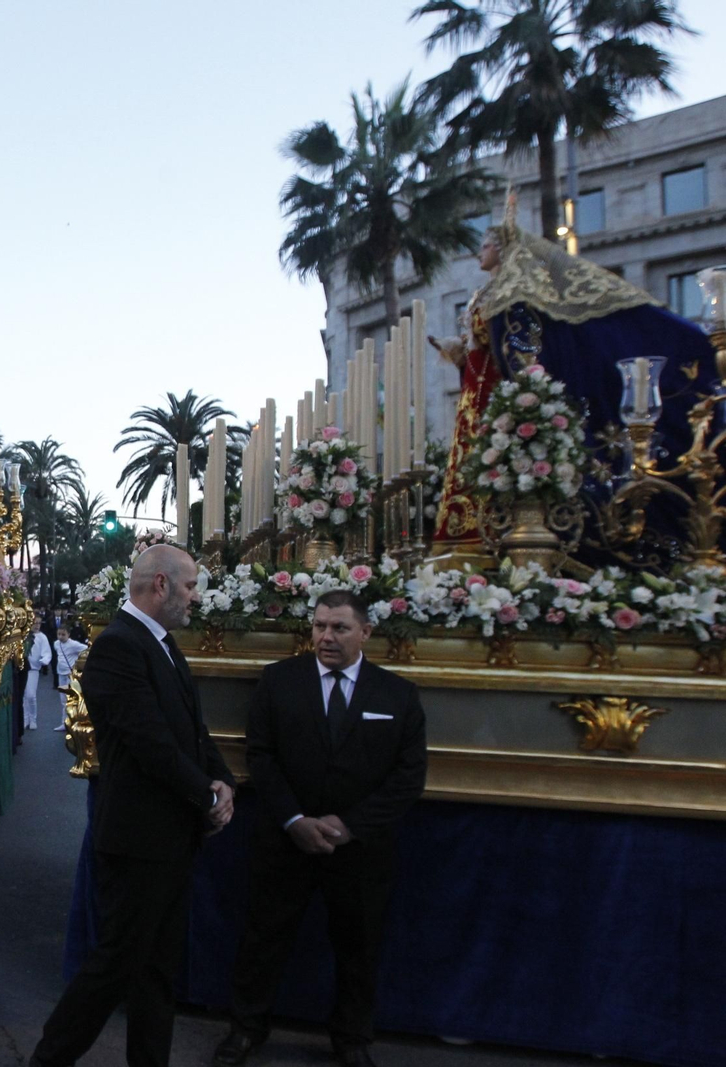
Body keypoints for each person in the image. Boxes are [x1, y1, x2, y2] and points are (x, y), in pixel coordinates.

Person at [428, 191, 719, 563]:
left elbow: (521, 351)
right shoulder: (490, 293)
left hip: (500, 399)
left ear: (504, 250)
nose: (479, 253)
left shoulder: (514, 296)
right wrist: (459, 350)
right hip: (479, 396)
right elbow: (491, 349)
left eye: (485, 245)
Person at [29, 544, 235, 1067]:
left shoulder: (162, 643)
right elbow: (150, 742)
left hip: (170, 835)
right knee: (115, 966)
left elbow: (191, 730)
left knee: (156, 970)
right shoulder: (119, 647)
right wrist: (204, 794)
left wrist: (222, 779)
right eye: (189, 586)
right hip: (140, 839)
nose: (195, 598)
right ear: (161, 585)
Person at [214, 591, 428, 1067]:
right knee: (263, 940)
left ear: (366, 633)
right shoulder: (278, 682)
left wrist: (349, 827)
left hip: (359, 852)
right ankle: (246, 1030)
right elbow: (261, 757)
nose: (326, 637)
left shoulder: (397, 695)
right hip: (285, 841)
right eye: (319, 627)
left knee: (358, 947)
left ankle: (352, 1039)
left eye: (339, 628)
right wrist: (294, 820)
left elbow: (408, 778)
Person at [51, 625, 89, 730]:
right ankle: (64, 722)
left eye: (63, 634)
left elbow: (86, 649)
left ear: (68, 635)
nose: (61, 637)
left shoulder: (74, 644)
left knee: (70, 699)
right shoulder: (56, 644)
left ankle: (71, 721)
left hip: (70, 674)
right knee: (62, 700)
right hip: (60, 673)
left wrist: (77, 662)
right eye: (59, 634)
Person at [22, 614, 52, 731]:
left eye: (39, 623)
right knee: (24, 696)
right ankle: (25, 718)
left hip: (33, 669)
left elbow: (47, 653)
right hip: (23, 668)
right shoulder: (24, 635)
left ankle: (33, 718)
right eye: (35, 623)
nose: (37, 625)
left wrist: (43, 661)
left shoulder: (42, 637)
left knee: (31, 695)